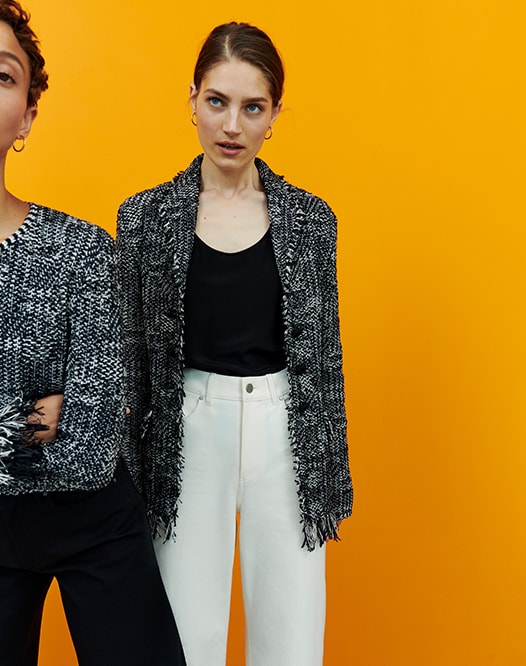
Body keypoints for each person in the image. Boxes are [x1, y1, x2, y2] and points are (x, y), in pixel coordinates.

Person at [116, 21, 353, 666]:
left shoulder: (310, 221)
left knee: (293, 633)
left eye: (253, 107)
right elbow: (131, 367)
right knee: (185, 636)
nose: (231, 125)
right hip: (188, 429)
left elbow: (323, 365)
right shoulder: (145, 218)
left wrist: (328, 475)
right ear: (191, 98)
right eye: (217, 101)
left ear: (273, 115)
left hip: (286, 429)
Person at [0, 2, 186, 664]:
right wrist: (37, 417)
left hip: (93, 520)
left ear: (27, 114)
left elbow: (94, 441)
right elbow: (63, 426)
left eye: (1, 75)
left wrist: (74, 419)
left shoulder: (82, 250)